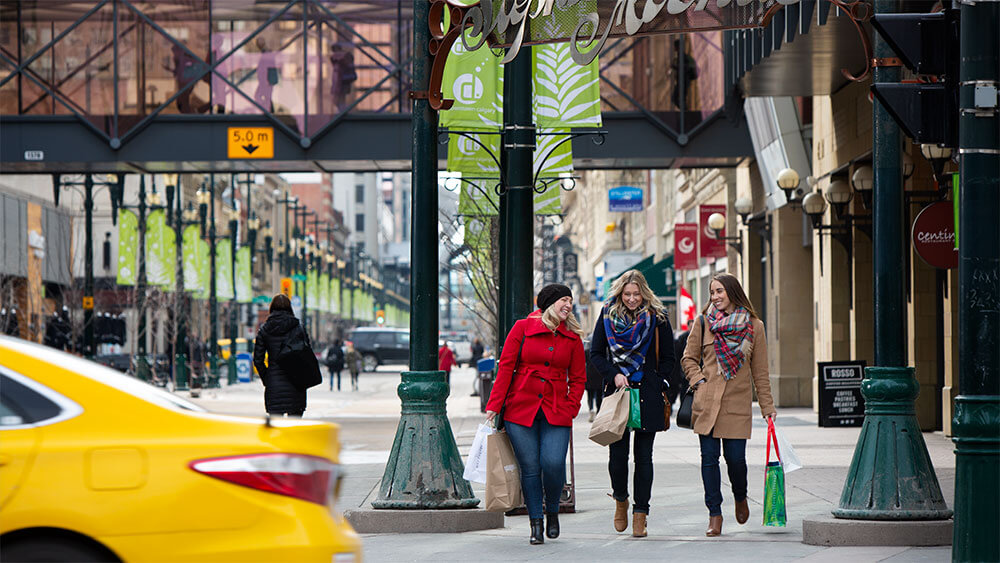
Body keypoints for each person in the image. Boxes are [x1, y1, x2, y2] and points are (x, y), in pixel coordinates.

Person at [485, 283, 586, 545]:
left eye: (570, 301)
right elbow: (506, 367)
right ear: (549, 303)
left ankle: (552, 510)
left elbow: (578, 379)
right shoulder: (522, 328)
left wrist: (571, 407)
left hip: (556, 409)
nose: (568, 305)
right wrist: (495, 405)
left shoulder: (572, 337)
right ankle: (536, 524)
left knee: (553, 464)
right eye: (563, 300)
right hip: (520, 409)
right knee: (529, 469)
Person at [681, 273, 776, 537]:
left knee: (736, 461)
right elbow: (688, 359)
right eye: (712, 292)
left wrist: (768, 408)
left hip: (737, 403)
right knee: (709, 460)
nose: (715, 297)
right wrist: (699, 382)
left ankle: (740, 495)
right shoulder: (702, 322)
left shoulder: (755, 326)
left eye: (719, 291)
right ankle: (715, 514)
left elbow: (760, 372)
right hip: (707, 403)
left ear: (732, 292)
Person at [589, 270, 674, 538]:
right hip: (618, 394)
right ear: (619, 293)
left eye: (637, 294)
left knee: (644, 458)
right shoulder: (606, 316)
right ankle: (620, 500)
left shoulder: (658, 318)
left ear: (644, 293)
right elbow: (595, 353)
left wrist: (660, 383)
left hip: (647, 394)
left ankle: (641, 514)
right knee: (617, 458)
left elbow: (670, 358)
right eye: (627, 294)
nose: (632, 299)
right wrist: (613, 374)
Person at [253, 294, 309, 416]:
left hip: (274, 384)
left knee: (276, 428)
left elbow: (258, 359)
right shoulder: (299, 328)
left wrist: (267, 378)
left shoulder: (264, 330)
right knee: (294, 429)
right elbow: (307, 355)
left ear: (271, 308)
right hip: (296, 383)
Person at [584, 337, 603, 422]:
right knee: (599, 395)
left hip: (589, 376)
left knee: (590, 395)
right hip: (599, 376)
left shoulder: (587, 352)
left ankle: (591, 409)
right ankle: (598, 411)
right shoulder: (601, 353)